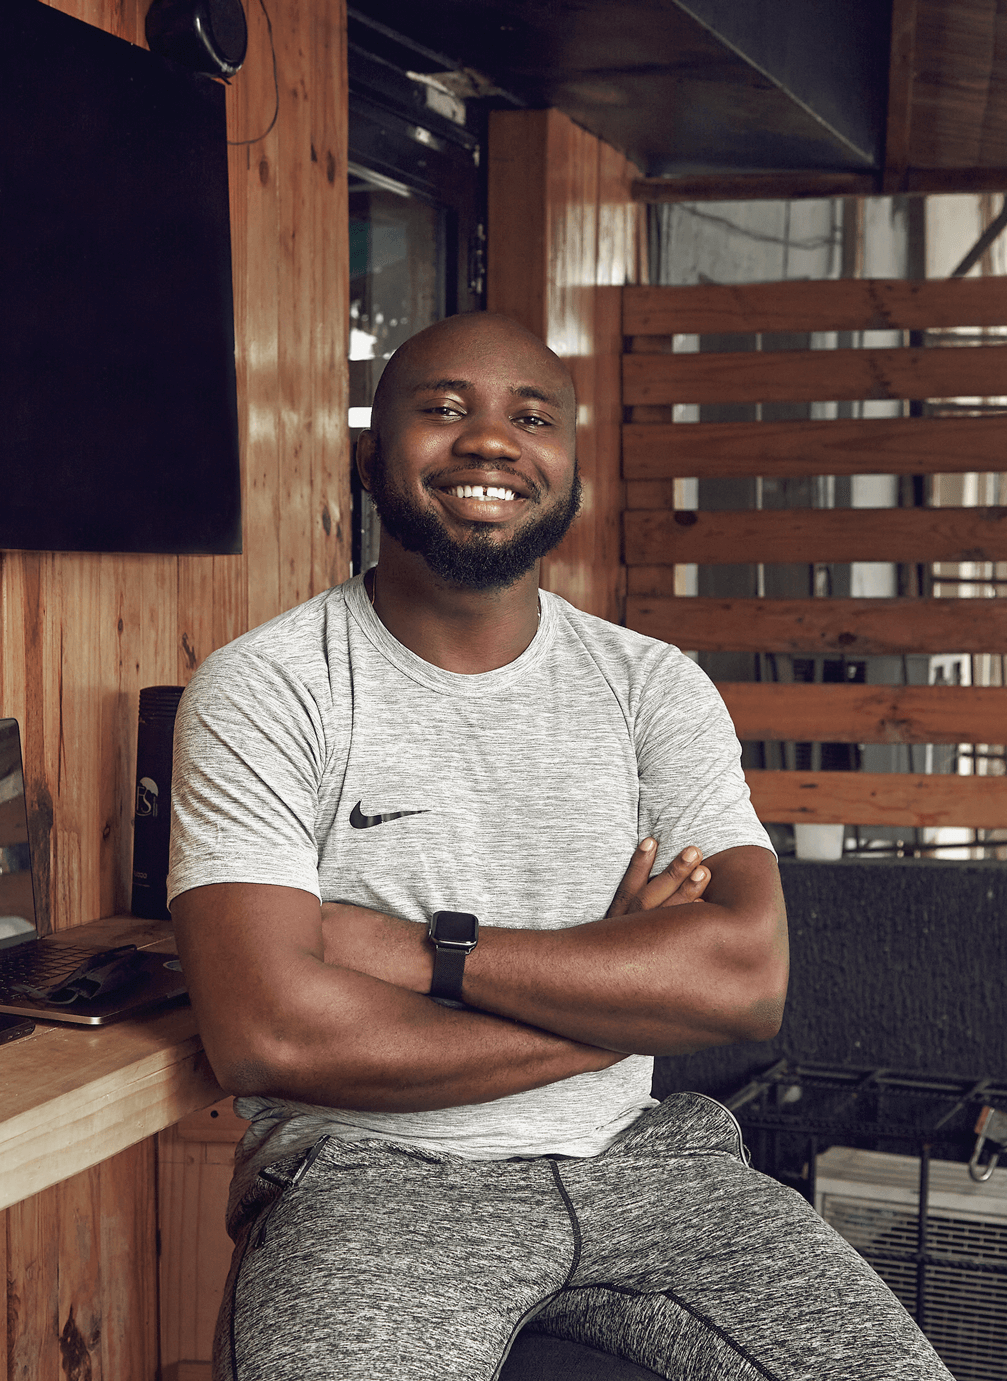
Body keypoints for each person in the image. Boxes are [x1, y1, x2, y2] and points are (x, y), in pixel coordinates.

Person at [165, 313, 952, 1380]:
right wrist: (611, 1007)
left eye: (530, 417)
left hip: (655, 1171)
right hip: (376, 1182)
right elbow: (271, 1036)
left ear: (569, 469)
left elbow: (744, 978)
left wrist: (418, 952)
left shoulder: (650, 687)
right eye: (443, 408)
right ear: (365, 456)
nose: (490, 439)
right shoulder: (267, 689)